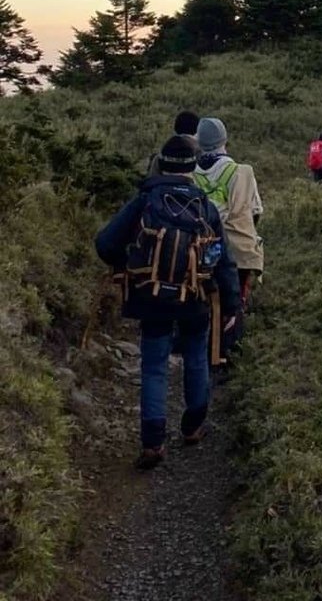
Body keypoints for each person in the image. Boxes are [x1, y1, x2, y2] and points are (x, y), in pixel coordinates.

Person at [95, 135, 240, 470]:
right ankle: (193, 426)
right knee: (195, 356)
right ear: (192, 166)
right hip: (195, 296)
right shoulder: (204, 204)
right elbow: (223, 260)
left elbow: (105, 243)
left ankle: (153, 442)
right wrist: (231, 305)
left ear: (162, 162)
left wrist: (125, 266)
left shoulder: (146, 198)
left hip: (152, 295)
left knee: (154, 365)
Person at [194, 118, 264, 314]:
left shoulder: (191, 172)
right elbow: (256, 211)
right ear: (224, 139)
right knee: (234, 298)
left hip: (198, 249)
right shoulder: (242, 171)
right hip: (236, 250)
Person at [145, 110, 200, 178]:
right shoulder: (203, 153)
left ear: (175, 127)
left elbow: (151, 179)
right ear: (197, 129)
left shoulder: (163, 154)